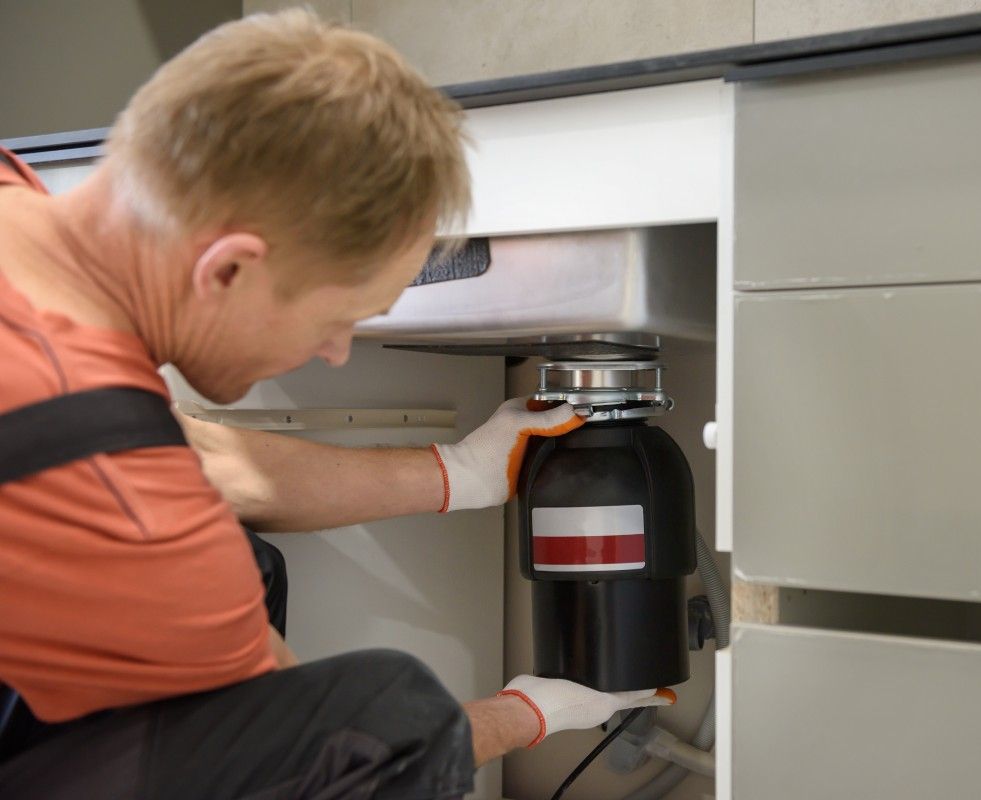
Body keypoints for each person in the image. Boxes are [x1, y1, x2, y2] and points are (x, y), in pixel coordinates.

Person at [0, 10, 671, 799]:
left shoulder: (21, 207)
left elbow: (193, 461)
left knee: (245, 567)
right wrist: (525, 714)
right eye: (336, 319)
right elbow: (324, 753)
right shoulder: (103, 471)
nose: (337, 353)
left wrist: (455, 473)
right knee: (387, 720)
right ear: (229, 270)